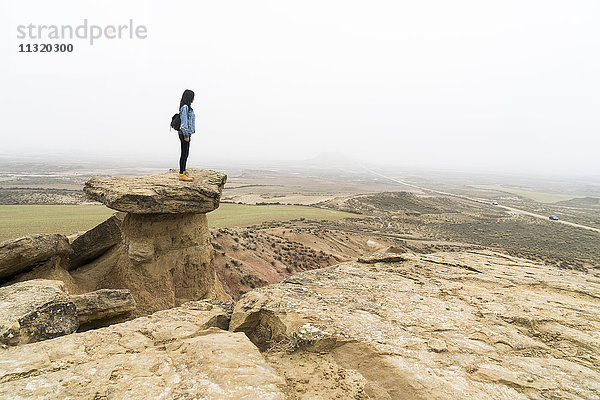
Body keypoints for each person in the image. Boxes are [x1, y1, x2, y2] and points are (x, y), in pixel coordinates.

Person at [177, 89, 196, 181]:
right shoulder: (185, 107)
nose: (194, 99)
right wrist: (186, 135)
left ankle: (183, 171)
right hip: (184, 134)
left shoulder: (187, 107)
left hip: (187, 133)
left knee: (186, 153)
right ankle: (181, 174)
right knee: (184, 153)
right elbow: (184, 123)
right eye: (193, 97)